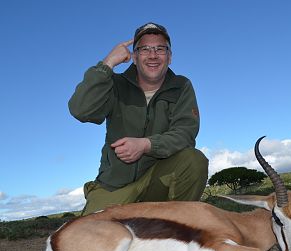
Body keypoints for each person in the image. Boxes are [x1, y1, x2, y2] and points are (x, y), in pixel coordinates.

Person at [69, 22, 209, 215]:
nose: (153, 55)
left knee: (194, 161)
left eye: (160, 49)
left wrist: (146, 145)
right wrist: (107, 64)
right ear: (134, 57)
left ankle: (174, 230)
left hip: (157, 180)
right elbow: (80, 110)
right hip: (114, 186)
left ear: (169, 57)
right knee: (85, 238)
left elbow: (185, 134)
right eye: (144, 49)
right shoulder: (115, 84)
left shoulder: (181, 85)